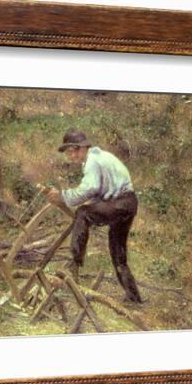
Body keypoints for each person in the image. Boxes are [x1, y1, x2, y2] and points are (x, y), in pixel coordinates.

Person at [45, 129, 142, 303]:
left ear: (80, 148)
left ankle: (74, 263)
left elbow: (90, 188)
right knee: (117, 252)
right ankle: (133, 296)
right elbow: (100, 190)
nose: (69, 157)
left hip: (120, 203)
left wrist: (63, 196)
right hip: (128, 203)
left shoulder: (92, 161)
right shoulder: (99, 157)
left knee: (82, 213)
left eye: (70, 152)